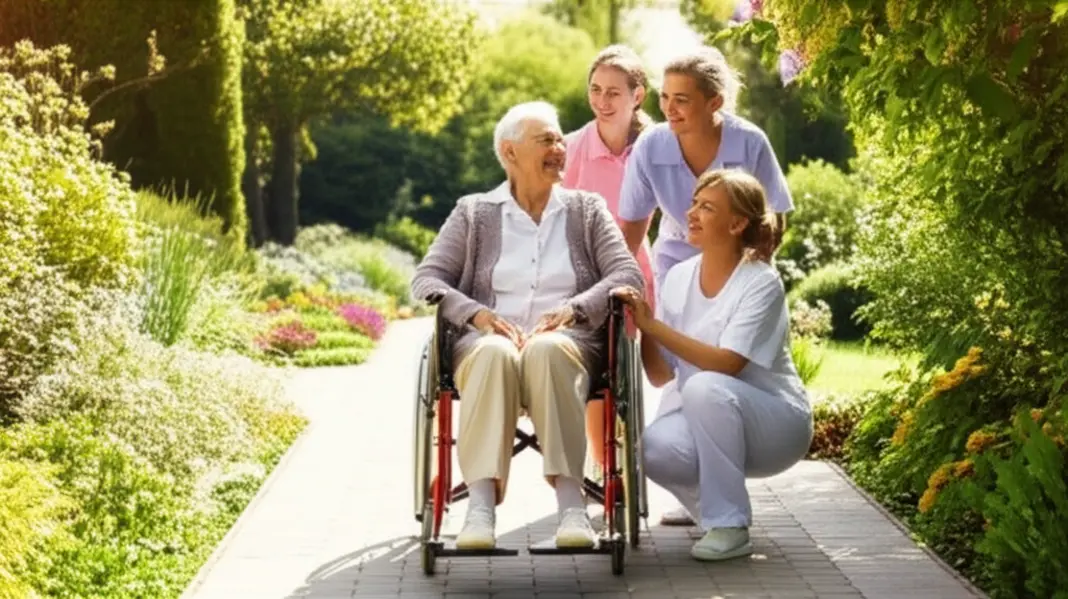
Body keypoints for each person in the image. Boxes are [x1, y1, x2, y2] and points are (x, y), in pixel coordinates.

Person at [409, 100, 645, 551]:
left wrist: (575, 310)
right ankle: (480, 510)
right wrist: (476, 315)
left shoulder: (586, 210)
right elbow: (426, 280)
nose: (560, 148)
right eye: (546, 140)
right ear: (510, 151)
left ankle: (571, 507)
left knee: (547, 348)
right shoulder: (474, 212)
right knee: (496, 351)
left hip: (569, 346)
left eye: (560, 139)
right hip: (487, 344)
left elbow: (626, 274)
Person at [617, 45, 795, 526]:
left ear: (715, 103)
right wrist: (620, 280)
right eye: (664, 97)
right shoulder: (652, 146)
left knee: (719, 377)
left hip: (738, 255)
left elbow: (774, 213)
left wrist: (750, 268)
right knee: (677, 379)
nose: (668, 109)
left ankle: (724, 504)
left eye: (682, 100)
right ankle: (702, 496)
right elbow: (632, 225)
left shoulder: (748, 141)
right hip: (678, 254)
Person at [612, 169, 812, 561]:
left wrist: (656, 326)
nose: (691, 213)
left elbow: (728, 364)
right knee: (655, 449)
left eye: (706, 207)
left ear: (737, 223)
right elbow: (661, 375)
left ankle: (730, 524)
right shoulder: (679, 278)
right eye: (694, 203)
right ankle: (713, 513)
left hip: (776, 425)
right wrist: (643, 324)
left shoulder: (760, 282)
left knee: (706, 385)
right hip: (710, 412)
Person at [561, 44, 656, 471]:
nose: (602, 100)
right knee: (598, 369)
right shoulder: (571, 149)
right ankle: (604, 465)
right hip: (580, 272)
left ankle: (639, 453)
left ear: (637, 95)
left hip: (635, 266)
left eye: (613, 92)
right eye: (595, 89)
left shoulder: (653, 147)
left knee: (637, 369)